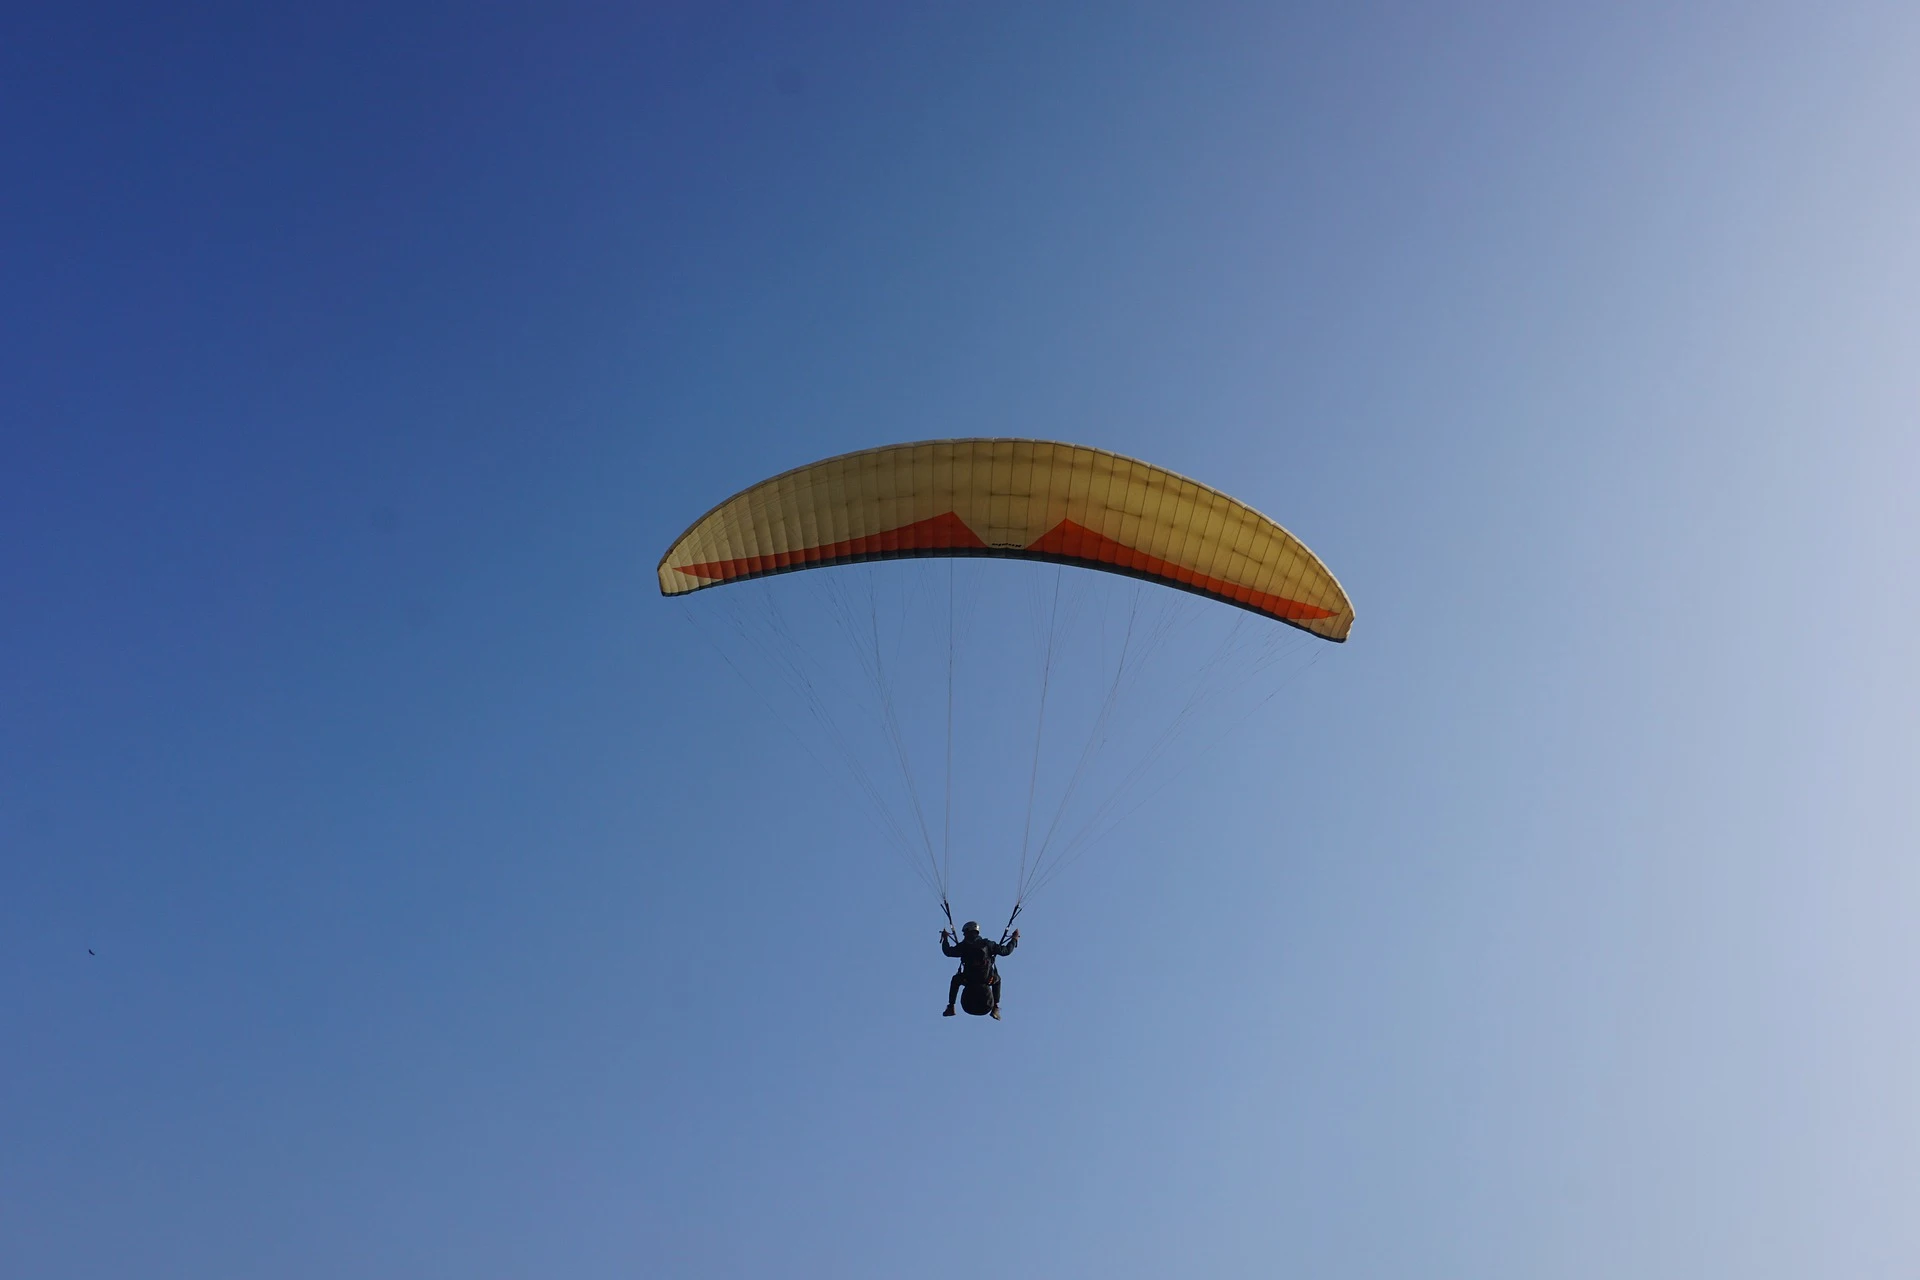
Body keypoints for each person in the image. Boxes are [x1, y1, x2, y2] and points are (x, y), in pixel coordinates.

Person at [941, 920, 1019, 1019]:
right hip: (986, 980)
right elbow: (1006, 951)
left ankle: (951, 1007)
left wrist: (945, 939)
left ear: (968, 932)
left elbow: (948, 952)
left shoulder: (963, 946)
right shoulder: (988, 944)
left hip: (968, 981)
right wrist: (1014, 939)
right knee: (997, 980)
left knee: (955, 980)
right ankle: (995, 1007)